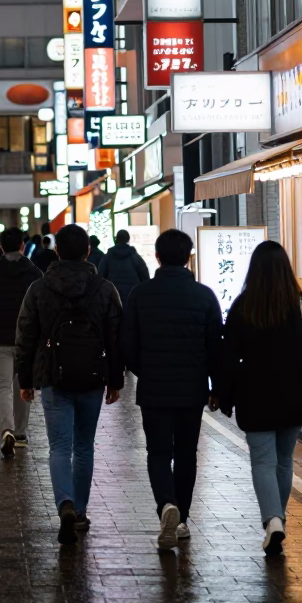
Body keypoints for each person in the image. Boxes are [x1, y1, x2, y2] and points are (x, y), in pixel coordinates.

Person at [220, 240, 302, 557]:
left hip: (254, 397)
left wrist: (224, 395)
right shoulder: (300, 305)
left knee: (263, 461)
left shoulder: (243, 306)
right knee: (284, 461)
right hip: (293, 397)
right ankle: (279, 519)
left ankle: (272, 520)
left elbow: (229, 358)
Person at [16, 223, 124, 546]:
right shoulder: (105, 289)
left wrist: (26, 379)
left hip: (52, 376)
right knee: (84, 446)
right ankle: (79, 510)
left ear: (57, 251)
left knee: (59, 446)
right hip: (92, 376)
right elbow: (117, 339)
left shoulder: (39, 288)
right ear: (88, 250)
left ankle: (64, 502)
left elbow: (25, 336)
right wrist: (115, 380)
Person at [121, 228, 222, 551]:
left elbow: (128, 345)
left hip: (154, 388)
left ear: (157, 257)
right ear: (189, 258)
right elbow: (215, 347)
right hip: (192, 389)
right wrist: (215, 386)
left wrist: (144, 371)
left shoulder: (140, 294)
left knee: (159, 453)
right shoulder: (205, 296)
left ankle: (166, 504)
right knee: (186, 454)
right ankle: (181, 521)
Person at [0, 226, 42, 456]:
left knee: (2, 387)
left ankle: (7, 430)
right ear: (22, 245)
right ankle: (21, 432)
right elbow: (42, 308)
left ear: (0, 247)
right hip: (27, 340)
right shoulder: (34, 273)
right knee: (23, 385)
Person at [99, 230, 150, 303]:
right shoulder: (135, 257)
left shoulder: (107, 257)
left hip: (112, 295)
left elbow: (101, 276)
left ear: (116, 239)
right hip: (132, 295)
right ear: (128, 239)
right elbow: (145, 276)